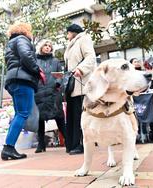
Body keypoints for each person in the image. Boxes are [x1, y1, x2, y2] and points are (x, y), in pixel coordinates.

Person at [1, 22, 45, 160]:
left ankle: (9, 147)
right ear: (26, 31)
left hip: (13, 79)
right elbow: (26, 55)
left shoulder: (11, 43)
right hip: (22, 80)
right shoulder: (21, 39)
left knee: (19, 114)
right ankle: (8, 147)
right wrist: (38, 70)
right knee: (22, 114)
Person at [64, 23, 96, 155]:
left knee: (80, 115)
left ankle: (81, 144)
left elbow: (90, 57)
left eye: (67, 32)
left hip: (82, 82)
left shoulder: (84, 39)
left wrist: (80, 69)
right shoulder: (71, 44)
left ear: (72, 32)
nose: (67, 35)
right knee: (72, 115)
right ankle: (72, 144)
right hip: (72, 84)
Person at [34, 39, 66, 153]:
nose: (48, 47)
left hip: (53, 92)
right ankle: (41, 144)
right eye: (45, 45)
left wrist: (58, 84)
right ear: (41, 47)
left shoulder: (55, 61)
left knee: (59, 117)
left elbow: (60, 75)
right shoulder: (35, 60)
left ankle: (68, 140)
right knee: (39, 119)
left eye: (49, 46)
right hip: (39, 92)